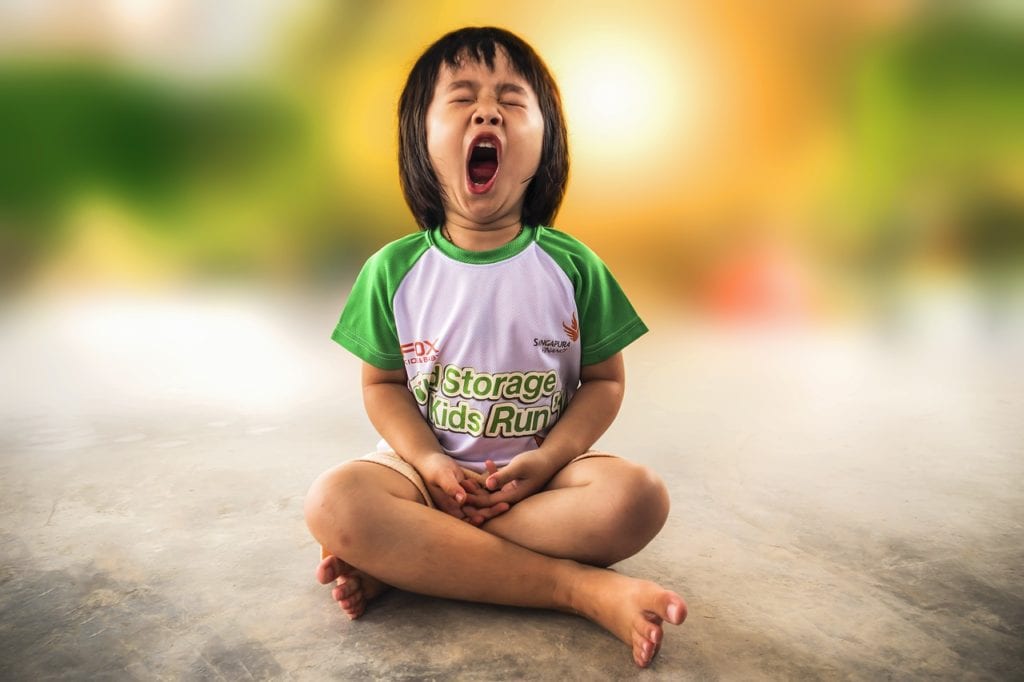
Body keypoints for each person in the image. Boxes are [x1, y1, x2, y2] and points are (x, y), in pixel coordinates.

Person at [304, 26, 687, 669]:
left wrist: (549, 459)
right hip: (425, 483)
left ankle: (415, 561)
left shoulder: (573, 267)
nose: (488, 111)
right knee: (333, 503)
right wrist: (427, 463)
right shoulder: (393, 270)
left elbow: (604, 382)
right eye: (461, 99)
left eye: (512, 101)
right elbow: (383, 387)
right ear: (421, 142)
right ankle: (578, 590)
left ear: (544, 145)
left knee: (639, 496)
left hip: (541, 486)